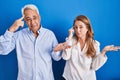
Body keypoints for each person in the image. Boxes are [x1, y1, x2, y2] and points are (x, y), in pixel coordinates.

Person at [0, 4, 63, 80]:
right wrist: (11, 29)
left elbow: (57, 58)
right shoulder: (18, 35)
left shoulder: (49, 35)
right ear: (25, 21)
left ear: (39, 17)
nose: (32, 22)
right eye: (28, 19)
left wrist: (56, 50)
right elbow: (3, 50)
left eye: (34, 18)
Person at [60, 15, 120, 80]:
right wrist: (69, 37)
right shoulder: (70, 41)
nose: (78, 30)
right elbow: (65, 57)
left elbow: (94, 66)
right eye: (75, 27)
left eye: (81, 27)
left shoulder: (94, 44)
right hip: (69, 78)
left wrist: (103, 51)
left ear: (87, 28)